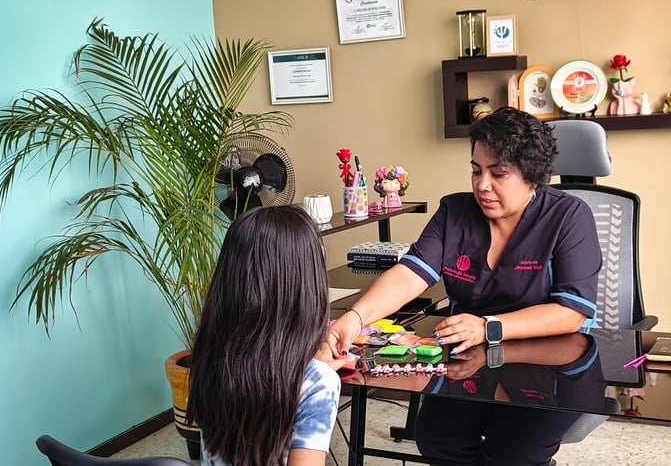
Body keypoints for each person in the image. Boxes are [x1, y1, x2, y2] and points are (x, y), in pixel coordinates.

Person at [328, 107, 602, 465]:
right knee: (437, 441)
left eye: (498, 173)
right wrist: (354, 317)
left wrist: (488, 327)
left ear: (533, 177)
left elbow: (572, 311)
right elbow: (411, 273)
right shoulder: (454, 212)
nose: (482, 185)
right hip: (469, 361)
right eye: (476, 171)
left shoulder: (568, 217)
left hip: (550, 365)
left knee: (512, 451)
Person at [187, 206, 354, 466]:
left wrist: (309, 367)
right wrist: (314, 376)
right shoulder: (319, 384)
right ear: (308, 287)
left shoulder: (210, 358)